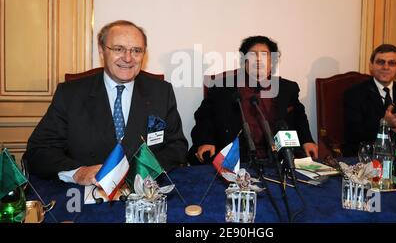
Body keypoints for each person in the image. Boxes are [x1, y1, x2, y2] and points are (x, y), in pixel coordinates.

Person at [24, 20, 188, 185]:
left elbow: (177, 147)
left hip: (145, 193)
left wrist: (144, 171)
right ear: (102, 52)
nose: (128, 58)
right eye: (118, 49)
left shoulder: (161, 92)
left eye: (136, 50)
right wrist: (78, 173)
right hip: (87, 196)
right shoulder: (70, 94)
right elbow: (38, 152)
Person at [189, 35, 318, 165]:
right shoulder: (223, 87)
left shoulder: (287, 88)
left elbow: (298, 116)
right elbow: (204, 116)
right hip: (234, 160)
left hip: (277, 160)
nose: (258, 60)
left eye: (264, 55)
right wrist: (206, 140)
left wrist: (307, 140)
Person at [343, 44, 396, 156]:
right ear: (371, 65)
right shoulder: (354, 94)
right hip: (367, 157)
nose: (386, 67)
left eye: (392, 63)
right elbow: (353, 134)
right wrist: (385, 124)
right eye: (380, 62)